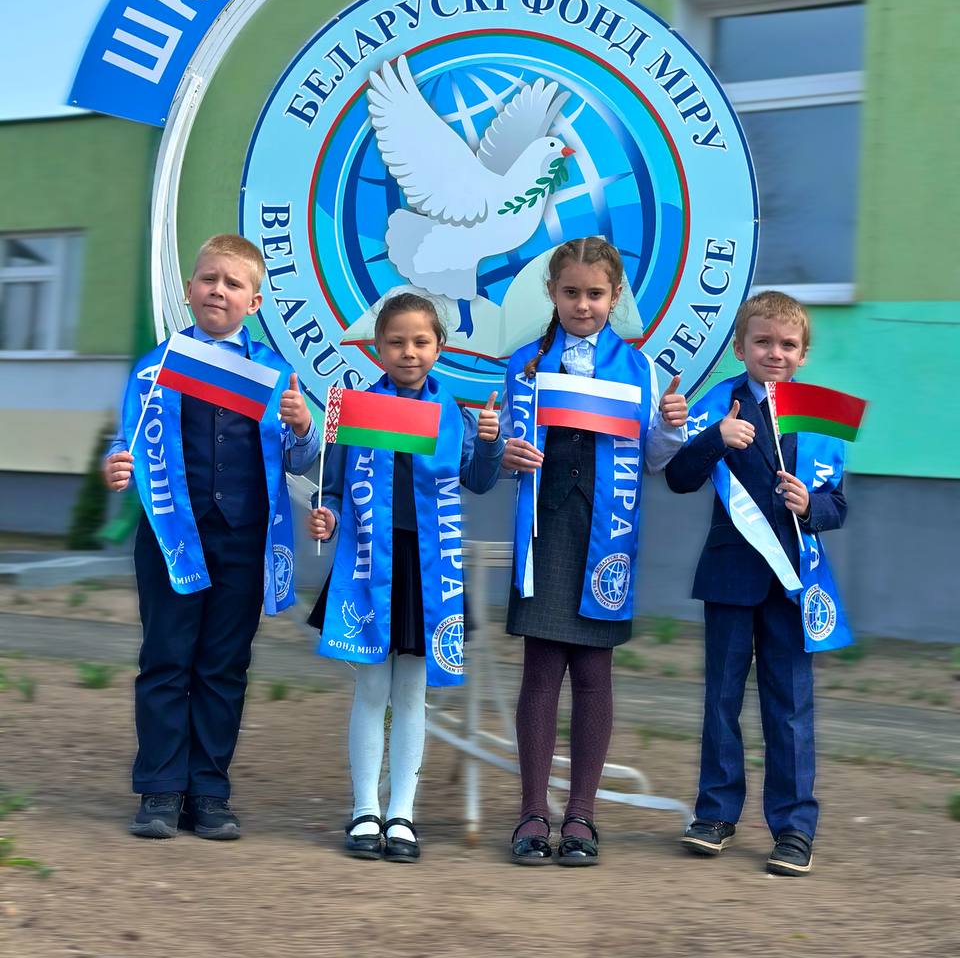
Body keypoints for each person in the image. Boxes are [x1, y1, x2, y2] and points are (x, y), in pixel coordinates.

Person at [103, 234, 319, 840]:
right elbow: (127, 438)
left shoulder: (274, 374)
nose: (218, 290)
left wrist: (304, 428)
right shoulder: (157, 368)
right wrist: (115, 462)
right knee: (166, 659)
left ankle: (209, 792)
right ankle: (160, 789)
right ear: (190, 288)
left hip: (243, 540)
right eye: (208, 279)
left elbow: (300, 458)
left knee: (224, 665)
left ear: (254, 301)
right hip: (171, 534)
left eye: (233, 283)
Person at [501, 237, 688, 866]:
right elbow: (508, 448)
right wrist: (507, 452)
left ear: (615, 297)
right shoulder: (524, 365)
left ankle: (581, 813)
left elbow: (655, 458)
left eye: (596, 294)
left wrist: (670, 427)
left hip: (606, 529)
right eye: (571, 292)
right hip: (546, 528)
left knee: (593, 672)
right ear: (552, 293)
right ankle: (532, 811)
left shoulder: (639, 369)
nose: (583, 305)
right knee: (540, 671)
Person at [307, 292, 503, 862]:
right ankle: (364, 809)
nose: (409, 352)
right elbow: (332, 488)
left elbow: (478, 480)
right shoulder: (353, 409)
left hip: (429, 570)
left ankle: (402, 814)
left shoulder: (454, 415)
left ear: (440, 347)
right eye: (396, 342)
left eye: (421, 341)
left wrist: (489, 443)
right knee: (371, 688)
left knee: (413, 693)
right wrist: (327, 514)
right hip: (369, 562)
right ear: (377, 347)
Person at [665, 290, 848, 876]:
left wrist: (812, 505)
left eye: (787, 344)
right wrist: (715, 438)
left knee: (790, 706)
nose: (775, 353)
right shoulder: (718, 405)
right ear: (740, 348)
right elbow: (678, 478)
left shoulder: (818, 414)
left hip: (793, 583)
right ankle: (715, 814)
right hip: (730, 576)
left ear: (803, 354)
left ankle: (794, 827)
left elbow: (839, 505)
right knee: (721, 699)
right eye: (762, 341)